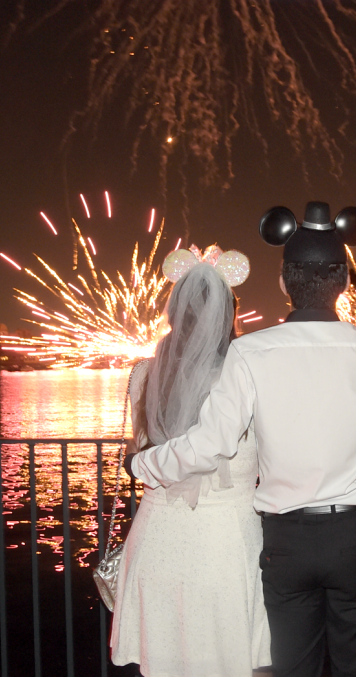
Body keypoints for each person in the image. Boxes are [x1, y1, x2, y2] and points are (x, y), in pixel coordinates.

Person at [128, 202, 356, 677]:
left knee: (293, 666)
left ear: (282, 281)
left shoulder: (250, 353)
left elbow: (213, 443)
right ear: (345, 282)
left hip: (285, 538)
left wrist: (143, 466)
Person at [110, 248, 272, 676]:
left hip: (157, 536)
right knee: (238, 659)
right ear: (228, 315)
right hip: (227, 541)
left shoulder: (143, 374)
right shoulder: (247, 374)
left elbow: (141, 451)